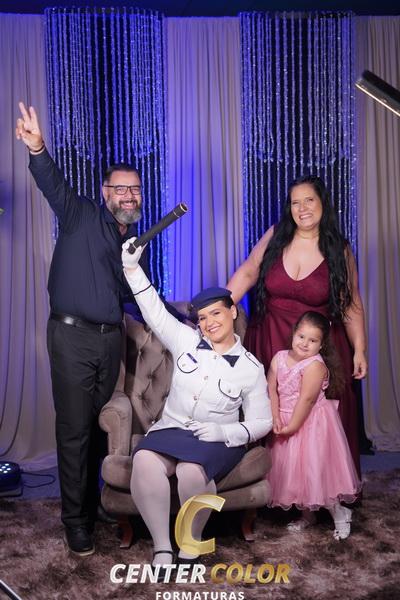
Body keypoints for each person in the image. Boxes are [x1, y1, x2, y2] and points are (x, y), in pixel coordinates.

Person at [15, 102, 182, 557]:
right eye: (120, 189)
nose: (129, 196)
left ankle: (92, 506)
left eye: (135, 190)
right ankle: (76, 523)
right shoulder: (81, 215)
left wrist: (180, 319)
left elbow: (134, 294)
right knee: (73, 430)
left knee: (94, 426)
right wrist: (38, 148)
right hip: (72, 338)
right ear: (105, 192)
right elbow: (52, 184)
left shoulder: (132, 243)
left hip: (110, 342)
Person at [121, 239, 272, 575]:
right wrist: (131, 269)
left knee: (191, 470)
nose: (209, 322)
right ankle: (162, 545)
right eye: (203, 317)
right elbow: (154, 310)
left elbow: (263, 422)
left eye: (216, 313)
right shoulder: (186, 340)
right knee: (144, 460)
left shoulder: (251, 368)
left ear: (232, 312)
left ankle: (190, 541)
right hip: (173, 428)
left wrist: (224, 432)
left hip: (216, 439)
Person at [227, 175, 367, 476]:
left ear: (322, 203)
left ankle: (318, 486)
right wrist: (221, 307)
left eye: (309, 200)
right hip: (270, 339)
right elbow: (249, 271)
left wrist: (360, 349)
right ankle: (269, 486)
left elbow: (351, 302)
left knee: (315, 418)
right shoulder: (276, 235)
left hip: (317, 348)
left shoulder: (338, 249)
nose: (302, 208)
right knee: (270, 411)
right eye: (295, 202)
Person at [267, 311, 362, 539]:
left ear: (321, 345)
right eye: (301, 336)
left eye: (312, 340)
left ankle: (340, 513)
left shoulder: (315, 366)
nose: (305, 343)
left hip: (310, 424)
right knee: (295, 474)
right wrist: (276, 417)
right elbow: (271, 389)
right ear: (294, 333)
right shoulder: (279, 358)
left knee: (315, 470)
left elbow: (307, 400)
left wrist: (292, 427)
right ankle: (308, 515)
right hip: (286, 419)